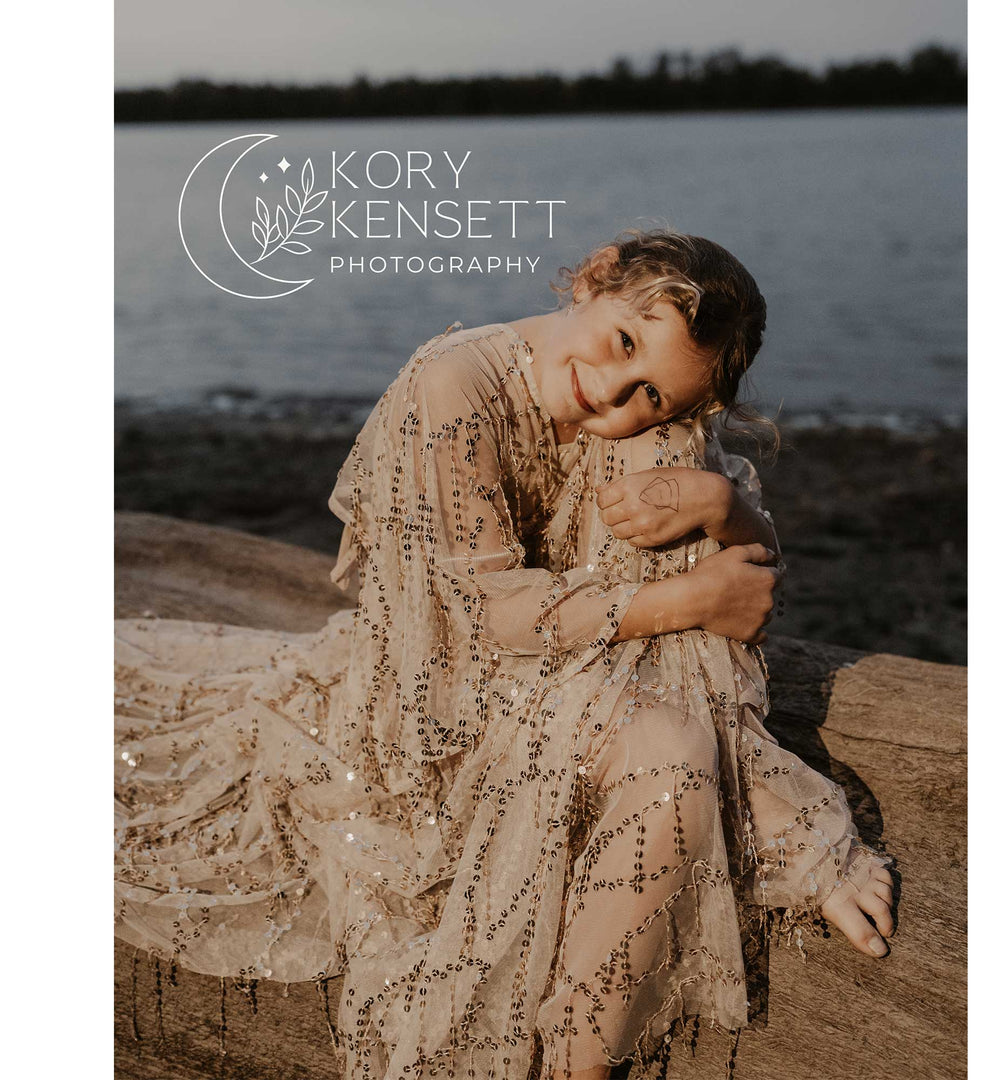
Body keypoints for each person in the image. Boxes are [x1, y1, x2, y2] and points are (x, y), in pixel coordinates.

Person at [115, 230, 895, 1080]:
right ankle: (767, 823)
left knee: (671, 742)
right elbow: (488, 616)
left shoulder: (650, 424)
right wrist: (686, 600)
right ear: (594, 279)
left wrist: (719, 504)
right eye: (622, 342)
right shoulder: (454, 387)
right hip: (434, 706)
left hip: (577, 673)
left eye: (650, 392)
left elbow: (744, 591)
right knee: (672, 755)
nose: (612, 391)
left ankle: (576, 1058)